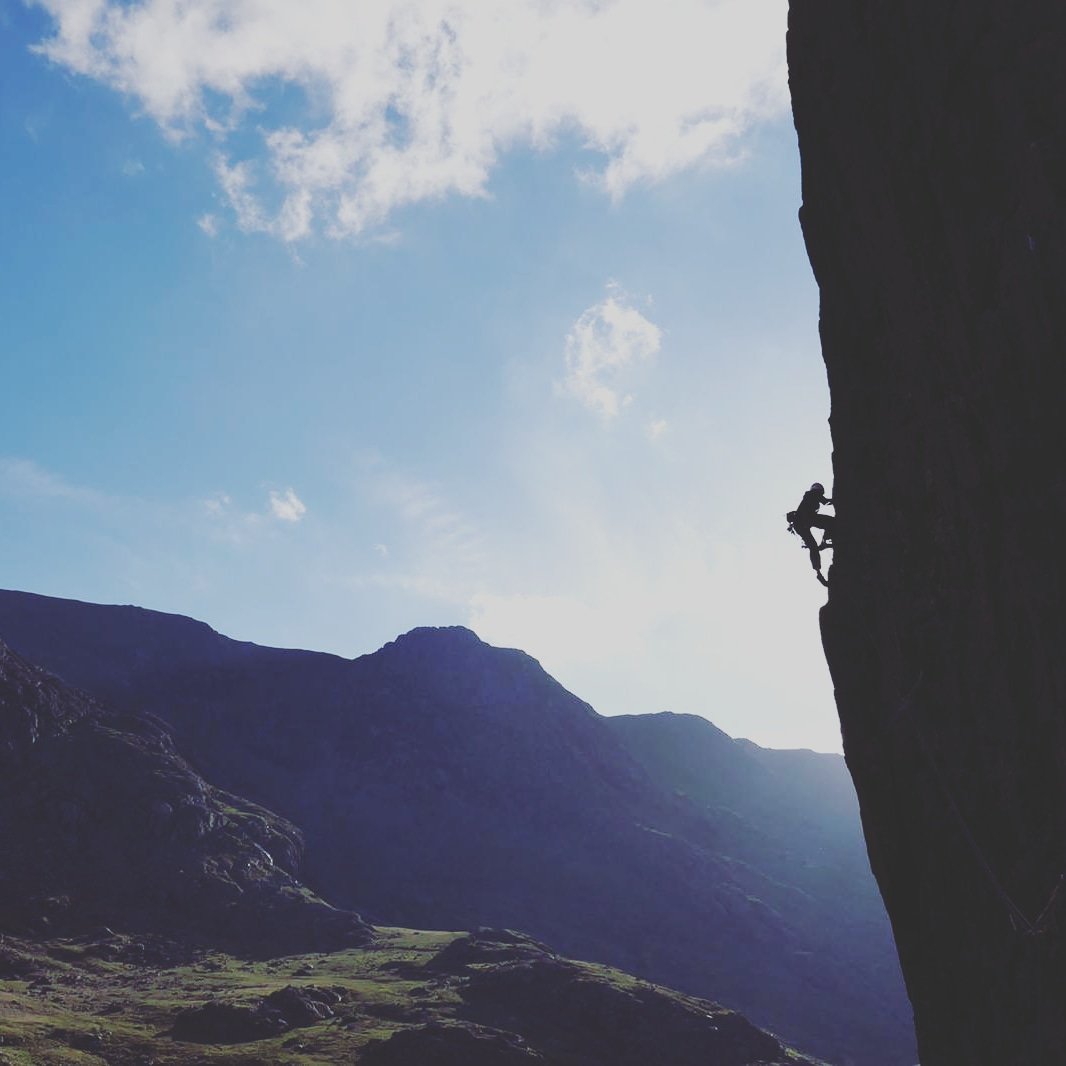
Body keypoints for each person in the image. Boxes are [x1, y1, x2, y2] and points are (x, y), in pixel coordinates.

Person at [787, 482, 835, 586]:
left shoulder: (808, 496)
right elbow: (826, 502)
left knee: (813, 547)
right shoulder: (813, 494)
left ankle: (818, 572)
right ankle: (825, 541)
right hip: (807, 519)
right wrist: (837, 500)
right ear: (819, 491)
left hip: (801, 523)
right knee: (831, 522)